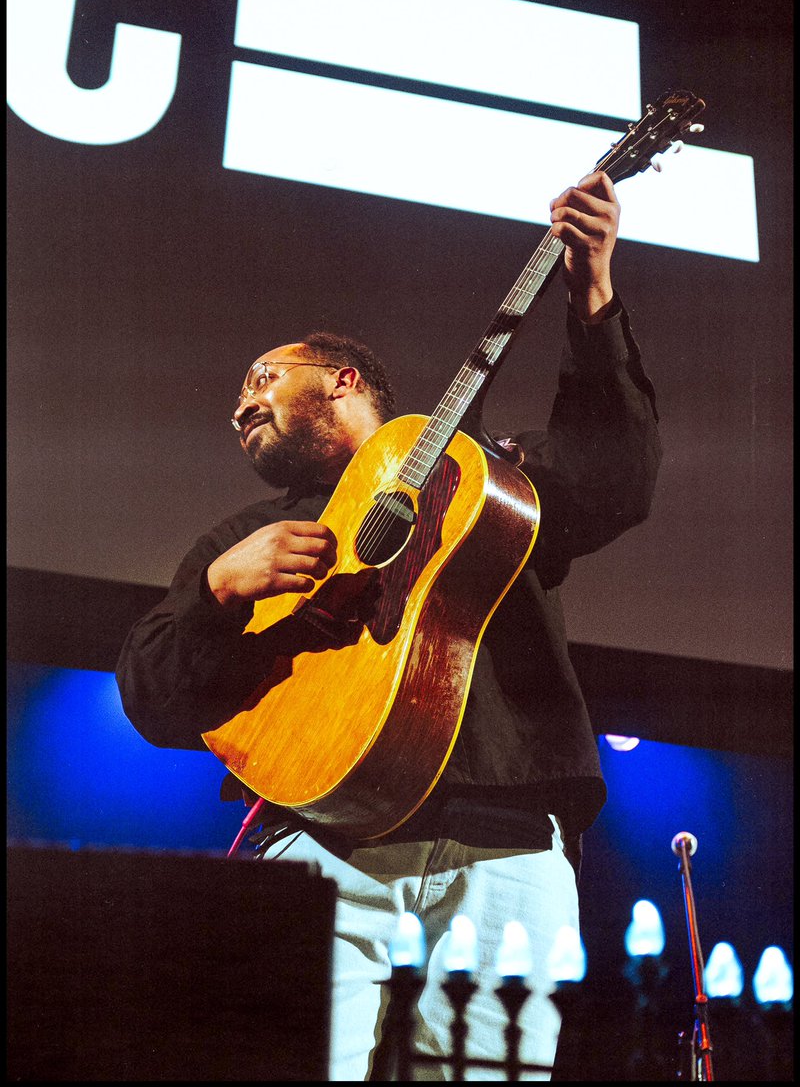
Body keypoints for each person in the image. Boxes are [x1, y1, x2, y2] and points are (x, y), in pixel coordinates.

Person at [116, 170, 661, 1081]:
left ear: (342, 379)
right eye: (238, 400)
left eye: (264, 379)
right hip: (318, 846)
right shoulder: (244, 542)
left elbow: (616, 481)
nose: (241, 405)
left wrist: (592, 294)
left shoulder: (487, 480)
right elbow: (155, 700)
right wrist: (218, 591)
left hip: (506, 842)